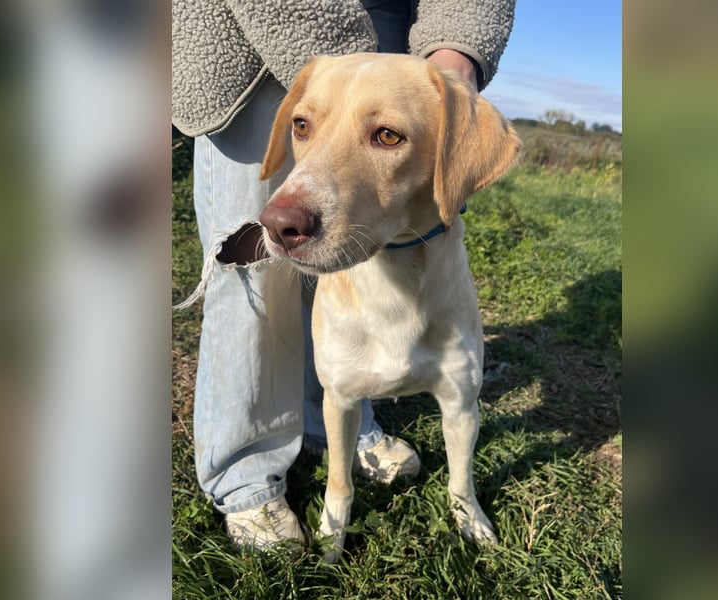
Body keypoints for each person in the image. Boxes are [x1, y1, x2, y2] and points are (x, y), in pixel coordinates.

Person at [172, 0, 517, 550]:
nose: (289, 205)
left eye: (385, 137)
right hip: (244, 35)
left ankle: (347, 428)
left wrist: (458, 53)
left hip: (388, 14)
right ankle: (245, 476)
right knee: (255, 286)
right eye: (303, 126)